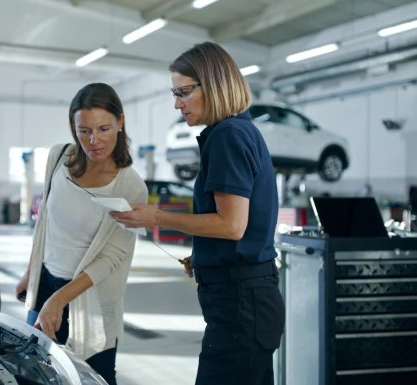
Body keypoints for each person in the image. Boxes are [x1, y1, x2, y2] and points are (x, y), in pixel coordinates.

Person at [110, 42, 284, 385]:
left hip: (240, 306)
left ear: (214, 85)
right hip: (250, 297)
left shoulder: (228, 136)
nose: (177, 104)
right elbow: (238, 227)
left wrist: (156, 217)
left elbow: (232, 225)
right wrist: (205, 254)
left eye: (183, 92)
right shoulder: (239, 131)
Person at [15, 83, 148, 385]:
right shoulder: (58, 157)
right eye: (84, 130)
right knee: (34, 372)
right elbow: (45, 223)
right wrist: (30, 273)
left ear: (120, 123)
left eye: (103, 129)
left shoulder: (131, 186)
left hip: (91, 297)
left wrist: (59, 300)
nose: (94, 140)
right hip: (45, 284)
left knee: (94, 378)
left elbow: (112, 258)